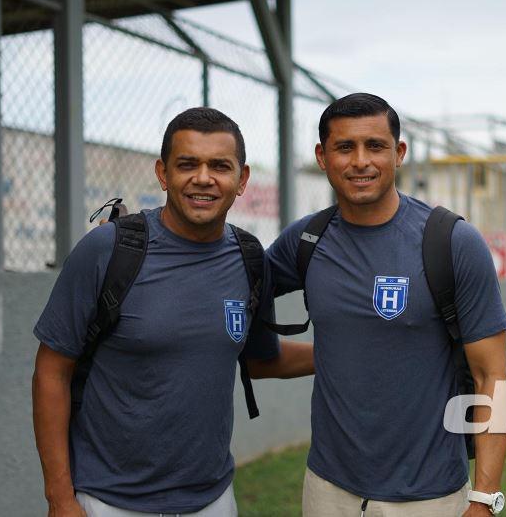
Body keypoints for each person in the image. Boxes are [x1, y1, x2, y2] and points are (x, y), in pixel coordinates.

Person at [32, 107, 314, 517]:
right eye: (187, 164)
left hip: (214, 501)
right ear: (163, 174)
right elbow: (51, 372)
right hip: (109, 502)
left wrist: (348, 353)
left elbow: (260, 360)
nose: (203, 178)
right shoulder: (108, 251)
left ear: (242, 180)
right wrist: (59, 498)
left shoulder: (249, 258)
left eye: (220, 166)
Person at [266, 93, 506, 516]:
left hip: (430, 496)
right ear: (323, 157)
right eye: (345, 147)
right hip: (327, 489)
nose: (360, 161)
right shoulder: (305, 241)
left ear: (398, 153)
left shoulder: (452, 242)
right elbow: (232, 288)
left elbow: (493, 376)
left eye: (375, 146)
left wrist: (485, 499)